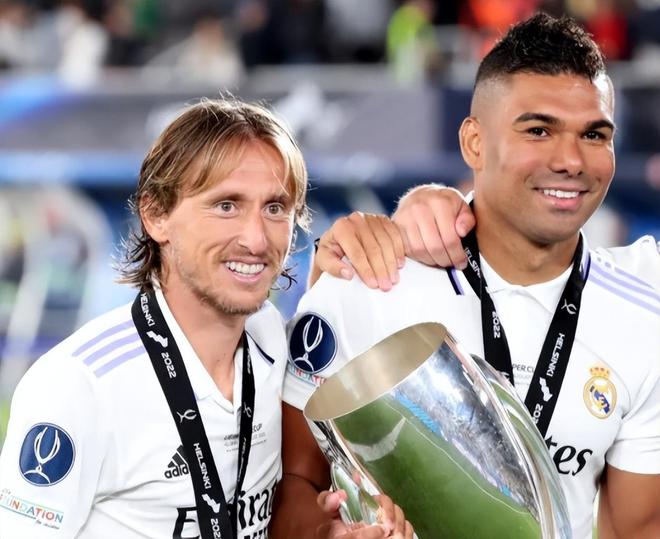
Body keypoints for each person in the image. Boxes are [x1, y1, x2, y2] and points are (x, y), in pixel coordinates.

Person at [280, 13, 660, 539]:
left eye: (594, 134)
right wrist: (327, 534)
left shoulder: (643, 313)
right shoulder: (368, 277)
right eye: (539, 130)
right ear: (474, 143)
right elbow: (291, 484)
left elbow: (633, 529)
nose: (572, 160)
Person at [0, 98, 410, 538]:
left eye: (275, 208)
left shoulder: (272, 342)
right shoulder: (78, 386)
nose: (256, 240)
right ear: (156, 215)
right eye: (226, 206)